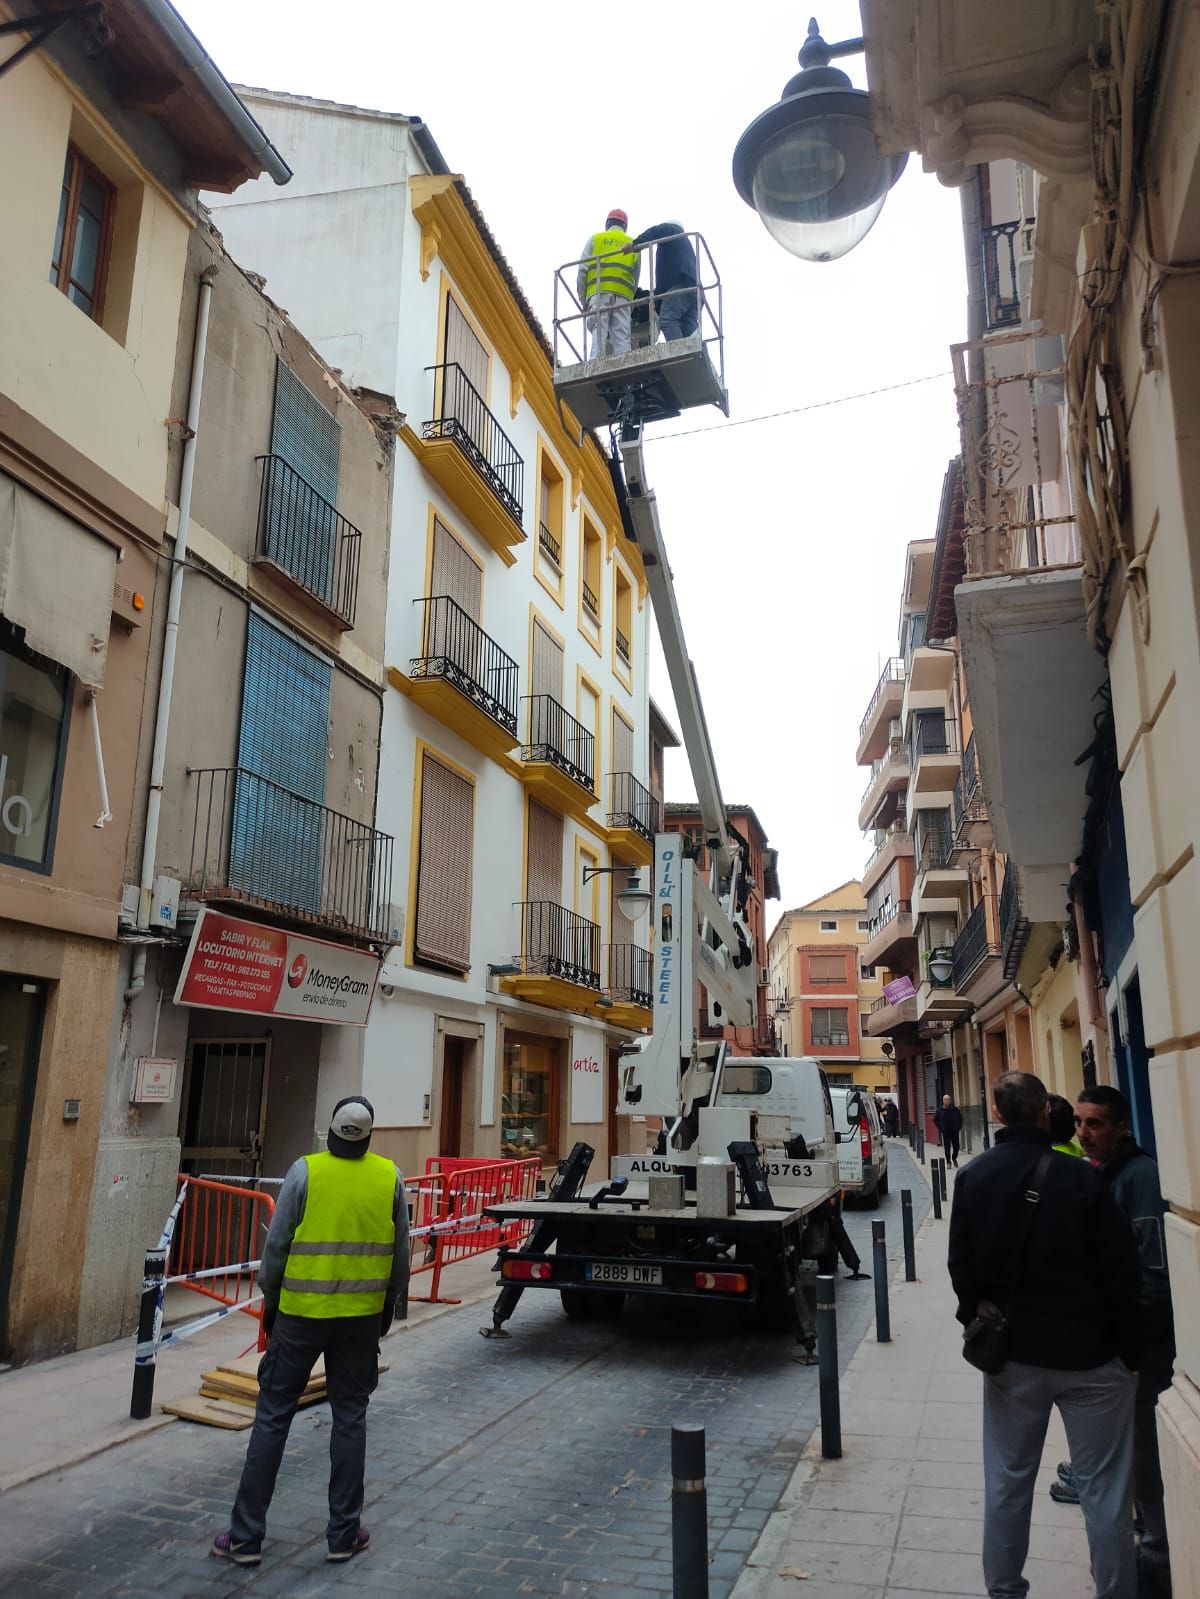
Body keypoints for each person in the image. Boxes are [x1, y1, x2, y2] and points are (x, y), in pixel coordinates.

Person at [948, 1070, 1143, 1599]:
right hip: (1092, 1358)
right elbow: (1121, 1272)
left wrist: (980, 1324)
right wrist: (1131, 1352)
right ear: (1045, 1114)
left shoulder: (973, 1177)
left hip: (1013, 1358)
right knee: (1105, 1491)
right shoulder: (1083, 1179)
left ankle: (1006, 1591)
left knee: (1008, 1482)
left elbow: (961, 1271)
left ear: (996, 1114)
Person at [212, 1097, 410, 1568]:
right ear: (369, 1136)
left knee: (273, 1416)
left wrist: (272, 1304)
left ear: (332, 1133)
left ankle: (244, 1538)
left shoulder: (304, 1172)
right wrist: (388, 1307)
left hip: (299, 1318)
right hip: (360, 1321)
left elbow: (276, 1247)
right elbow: (401, 1255)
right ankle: (343, 1533)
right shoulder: (390, 1177)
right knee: (350, 1418)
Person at [1074, 1087, 1175, 1595]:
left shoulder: (1140, 1177)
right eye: (1079, 1122)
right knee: (1129, 1450)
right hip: (1117, 1346)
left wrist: (1134, 1347)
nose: (1083, 1133)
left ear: (1120, 1127)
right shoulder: (1103, 1173)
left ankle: (1157, 1554)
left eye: (1094, 1124)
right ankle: (1146, 1538)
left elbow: (1153, 1273)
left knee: (1145, 1451)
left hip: (1144, 1347)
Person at [577, 209, 638, 359]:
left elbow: (582, 271)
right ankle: (625, 365)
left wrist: (583, 301)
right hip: (623, 295)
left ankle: (595, 364)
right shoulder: (634, 243)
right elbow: (635, 277)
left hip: (599, 293)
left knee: (599, 330)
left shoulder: (595, 239)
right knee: (622, 336)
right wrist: (629, 298)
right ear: (625, 226)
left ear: (607, 224)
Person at [631, 221, 699, 343]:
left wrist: (636, 244)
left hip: (680, 287)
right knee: (688, 329)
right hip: (694, 292)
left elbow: (659, 230)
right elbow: (666, 279)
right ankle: (691, 351)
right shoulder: (681, 249)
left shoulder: (673, 230)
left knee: (667, 319)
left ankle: (679, 354)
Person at [934, 1092, 964, 1167]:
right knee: (947, 1148)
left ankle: (954, 1158)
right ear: (943, 1101)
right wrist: (940, 1128)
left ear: (950, 1100)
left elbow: (960, 1119)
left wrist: (958, 1127)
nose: (947, 1101)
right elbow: (935, 1120)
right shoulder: (939, 1110)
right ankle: (948, 1162)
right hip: (945, 1132)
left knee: (956, 1147)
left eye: (948, 1099)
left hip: (954, 1131)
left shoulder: (955, 1109)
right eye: (945, 1099)